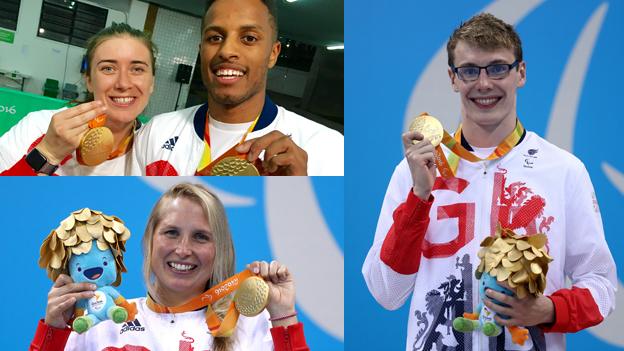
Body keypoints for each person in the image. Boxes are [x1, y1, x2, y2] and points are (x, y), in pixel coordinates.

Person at [362, 13, 616, 351]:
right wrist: (420, 196)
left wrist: (549, 309)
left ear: (520, 73)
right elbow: (386, 291)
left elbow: (601, 285)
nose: (483, 84)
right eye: (469, 70)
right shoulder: (415, 173)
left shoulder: (564, 170)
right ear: (453, 79)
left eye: (497, 68)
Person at [30, 182, 309, 350]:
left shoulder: (251, 326)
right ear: (150, 241)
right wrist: (53, 331)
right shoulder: (100, 322)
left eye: (200, 236)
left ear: (219, 249)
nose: (183, 250)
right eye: (171, 233)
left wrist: (284, 316)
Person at [132, 0, 344, 176]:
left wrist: (302, 197)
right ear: (201, 50)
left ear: (273, 53)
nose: (227, 51)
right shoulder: (156, 133)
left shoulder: (328, 150)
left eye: (249, 38)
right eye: (215, 38)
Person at [0, 22, 155, 176]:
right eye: (108, 68)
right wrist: (48, 153)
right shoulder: (40, 126)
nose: (123, 83)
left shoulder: (157, 147)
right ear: (89, 80)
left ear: (152, 83)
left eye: (137, 69)